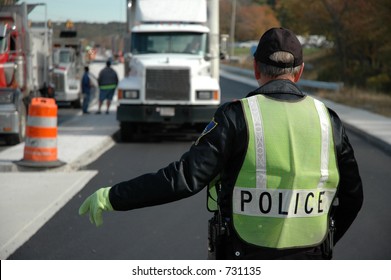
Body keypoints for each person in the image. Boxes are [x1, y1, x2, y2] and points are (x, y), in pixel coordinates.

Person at [79, 27, 363, 260]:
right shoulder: (328, 120)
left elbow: (183, 178)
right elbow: (353, 195)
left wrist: (114, 196)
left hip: (243, 257)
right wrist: (325, 239)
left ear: (255, 68)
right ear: (299, 72)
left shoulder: (237, 116)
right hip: (311, 259)